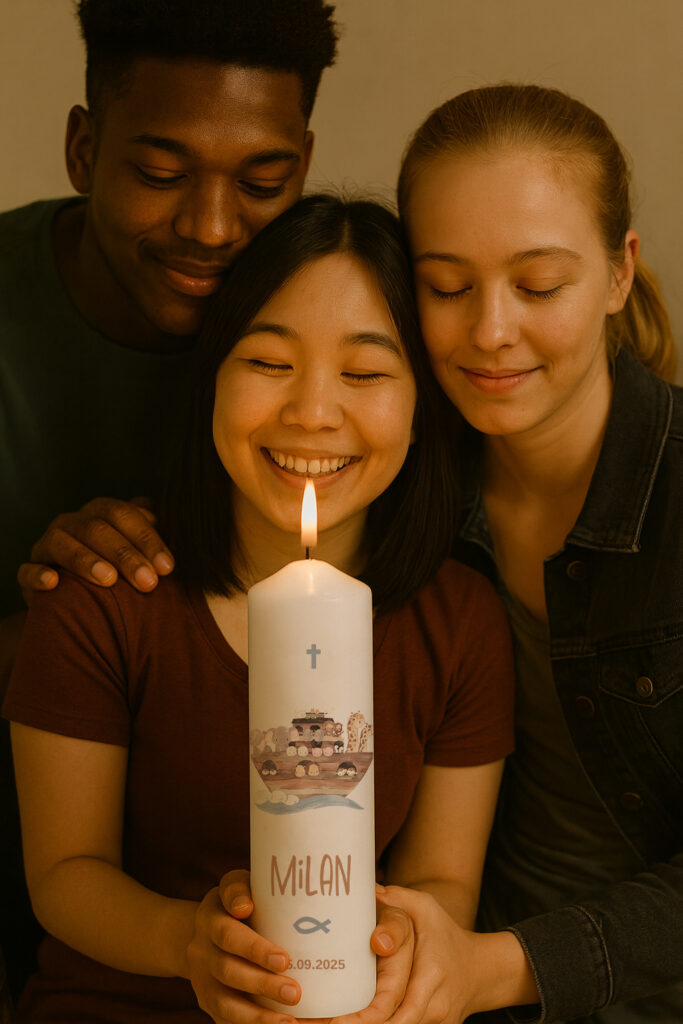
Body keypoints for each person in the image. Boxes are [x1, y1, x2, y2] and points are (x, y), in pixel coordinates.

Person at [2, 195, 515, 1024]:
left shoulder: (457, 623)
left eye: (365, 373)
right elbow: (65, 872)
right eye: (270, 363)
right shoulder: (104, 598)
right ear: (212, 379)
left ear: (423, 409)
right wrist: (189, 945)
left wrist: (389, 963)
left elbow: (442, 881)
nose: (311, 412)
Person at [0, 0, 338, 995]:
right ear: (81, 145)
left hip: (271, 944)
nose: (211, 227)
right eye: (158, 173)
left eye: (263, 182)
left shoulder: (331, 341)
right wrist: (68, 634)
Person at [381, 83, 681, 1022]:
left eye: (538, 284)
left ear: (619, 274)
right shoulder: (398, 489)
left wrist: (495, 969)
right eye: (445, 285)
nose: (489, 330)